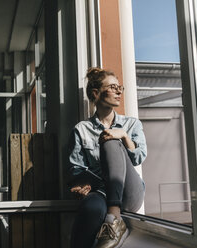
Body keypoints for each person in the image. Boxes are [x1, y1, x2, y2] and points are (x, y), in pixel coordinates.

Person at [68, 67, 147, 248]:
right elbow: (76, 168)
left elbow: (138, 157)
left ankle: (114, 220)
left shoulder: (131, 124)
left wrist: (124, 137)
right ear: (96, 93)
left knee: (109, 141)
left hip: (128, 192)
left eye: (120, 87)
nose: (119, 91)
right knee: (91, 209)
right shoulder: (81, 129)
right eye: (112, 87)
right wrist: (81, 185)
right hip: (99, 191)